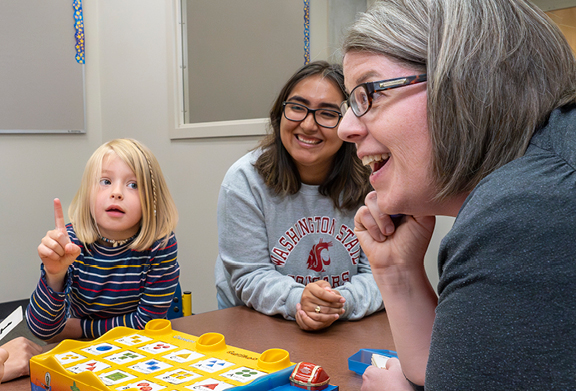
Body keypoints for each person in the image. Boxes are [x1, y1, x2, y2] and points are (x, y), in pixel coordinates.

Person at [337, 0, 576, 391]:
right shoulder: (560, 158)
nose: (345, 126)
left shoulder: (533, 206)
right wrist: (399, 274)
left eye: (368, 93)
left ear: (465, 81)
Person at [215, 61, 383, 331]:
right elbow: (250, 274)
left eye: (327, 114)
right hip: (257, 323)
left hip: (345, 322)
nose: (307, 124)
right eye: (297, 107)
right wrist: (299, 300)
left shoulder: (373, 181)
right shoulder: (244, 181)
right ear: (279, 113)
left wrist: (338, 303)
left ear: (350, 123)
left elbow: (381, 274)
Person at [27, 138, 180, 341]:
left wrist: (79, 328)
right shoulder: (70, 243)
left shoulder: (160, 244)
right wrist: (54, 275)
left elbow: (147, 324)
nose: (116, 193)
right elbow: (43, 331)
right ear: (87, 193)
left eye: (133, 185)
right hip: (81, 353)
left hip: (137, 348)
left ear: (152, 199)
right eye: (105, 182)